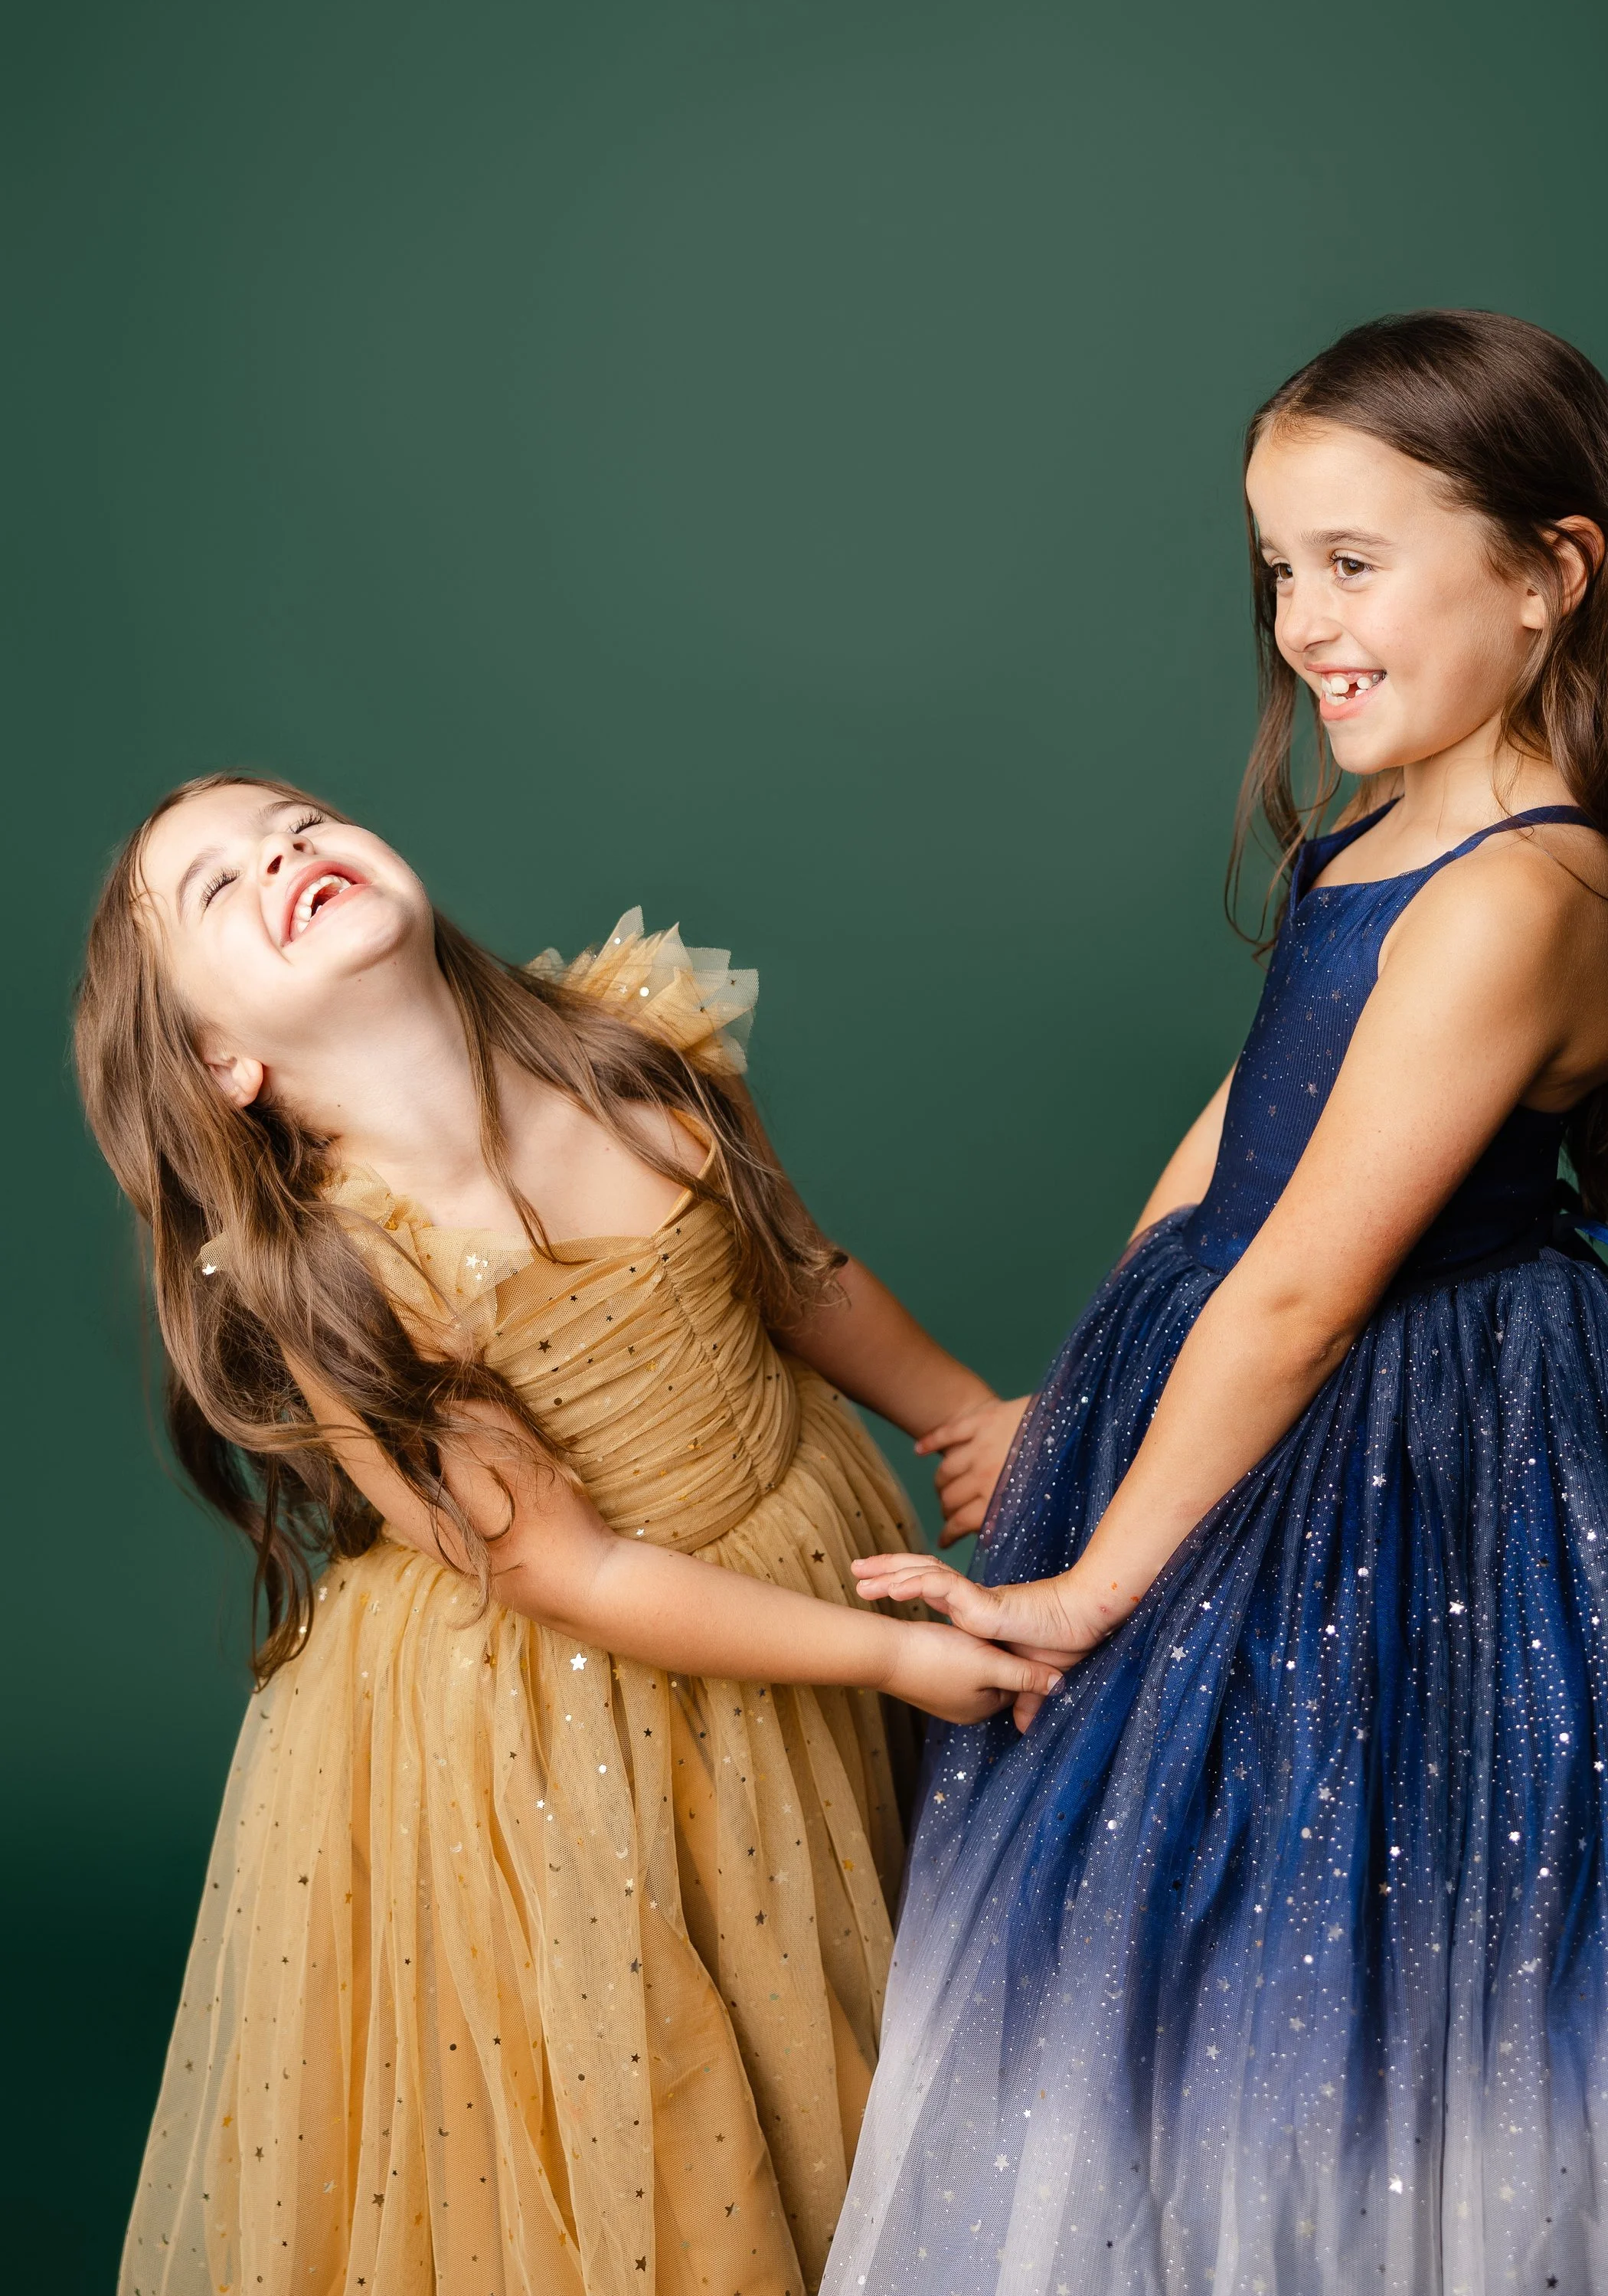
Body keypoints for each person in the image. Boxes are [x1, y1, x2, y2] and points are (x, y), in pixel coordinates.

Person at [836, 312, 1608, 2296]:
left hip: (1446, 1437)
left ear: (1545, 573)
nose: (1301, 619)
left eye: (1353, 562)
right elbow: (1224, 1155)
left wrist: (1088, 1585)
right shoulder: (1370, 832)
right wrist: (1076, 1401)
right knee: (1202, 1909)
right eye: (1275, 570)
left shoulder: (1525, 880)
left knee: (1430, 1894)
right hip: (1244, 1381)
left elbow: (1313, 1282)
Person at [77, 775, 1057, 2296]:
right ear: (224, 1061)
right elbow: (577, 1575)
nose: (280, 850)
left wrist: (961, 1418)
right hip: (573, 1707)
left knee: (859, 2013)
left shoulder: (627, 1056)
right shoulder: (345, 1275)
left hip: (788, 1535)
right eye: (215, 886)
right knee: (671, 2086)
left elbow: (794, 1276)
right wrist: (889, 1651)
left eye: (292, 818)